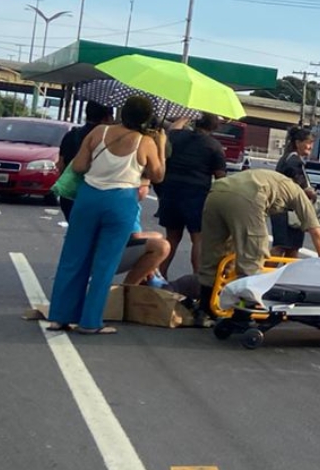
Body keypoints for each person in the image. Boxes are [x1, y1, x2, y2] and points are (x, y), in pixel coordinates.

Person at [47, 95, 166, 335]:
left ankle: (59, 317)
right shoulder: (146, 142)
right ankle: (90, 322)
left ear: (123, 112)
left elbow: (79, 166)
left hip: (89, 197)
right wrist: (161, 144)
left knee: (73, 257)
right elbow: (158, 174)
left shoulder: (99, 132)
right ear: (146, 118)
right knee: (105, 263)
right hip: (121, 201)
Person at [197, 169, 320, 299]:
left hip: (217, 192)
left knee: (214, 252)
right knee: (253, 255)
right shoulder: (300, 194)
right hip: (248, 197)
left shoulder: (276, 180)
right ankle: (243, 313)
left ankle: (205, 306)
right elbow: (316, 231)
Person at [156, 113, 228, 277]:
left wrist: (186, 116)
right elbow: (220, 178)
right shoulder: (214, 146)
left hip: (171, 192)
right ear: (215, 126)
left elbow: (173, 128)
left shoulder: (176, 136)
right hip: (196, 195)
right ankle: (198, 279)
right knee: (198, 239)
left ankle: (159, 276)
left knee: (172, 238)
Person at [56, 101, 114, 221]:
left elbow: (60, 165)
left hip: (70, 194)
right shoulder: (108, 140)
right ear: (106, 118)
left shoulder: (72, 135)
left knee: (75, 232)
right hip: (96, 194)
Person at [271, 127, 317, 257]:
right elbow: (301, 188)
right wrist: (312, 194)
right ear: (297, 143)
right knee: (281, 248)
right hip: (288, 211)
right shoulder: (294, 161)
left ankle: (276, 275)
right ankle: (266, 275)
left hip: (282, 209)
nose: (311, 146)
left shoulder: (287, 158)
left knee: (291, 249)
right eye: (308, 142)